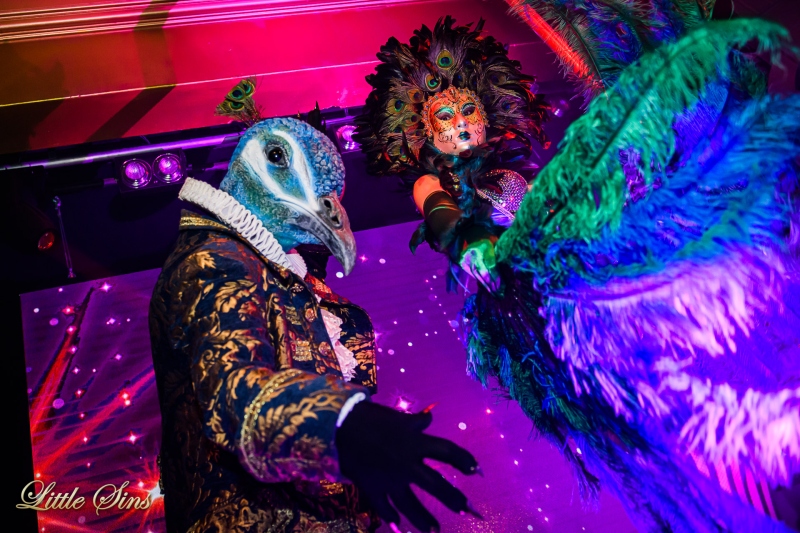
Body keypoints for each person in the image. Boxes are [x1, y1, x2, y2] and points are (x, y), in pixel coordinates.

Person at [355, 12, 799, 533]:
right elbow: (442, 217)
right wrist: (469, 242)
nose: (460, 124)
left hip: (559, 276)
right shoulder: (432, 182)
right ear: (426, 132)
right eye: (445, 116)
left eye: (468, 109)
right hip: (521, 299)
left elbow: (546, 216)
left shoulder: (511, 174)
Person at [149, 102, 482, 533]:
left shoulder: (275, 273)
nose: (331, 210)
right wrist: (346, 427)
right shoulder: (212, 262)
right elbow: (234, 392)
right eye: (278, 158)